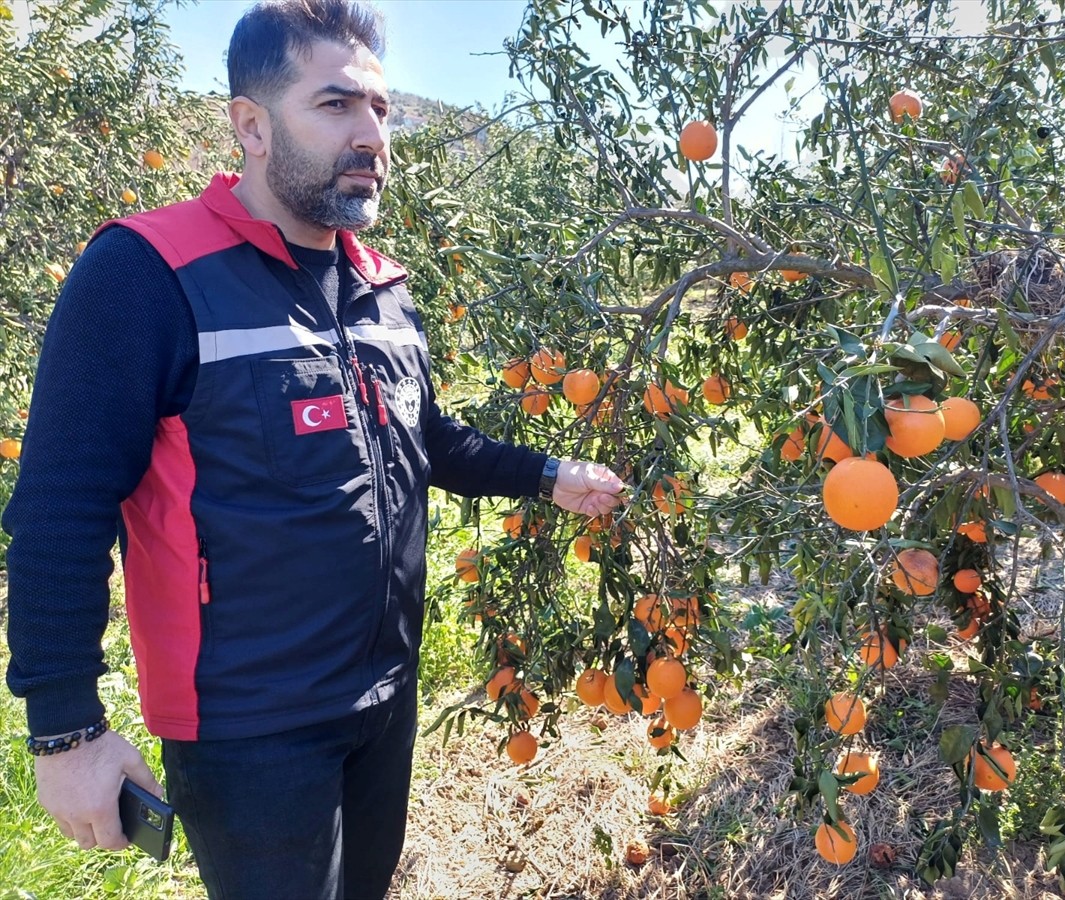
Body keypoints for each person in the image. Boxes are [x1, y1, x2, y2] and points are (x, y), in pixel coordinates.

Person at [1, 1, 625, 897]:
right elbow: (61, 506)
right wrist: (66, 730)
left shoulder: (382, 288)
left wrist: (547, 475)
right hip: (249, 728)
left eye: (379, 107)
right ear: (251, 126)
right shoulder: (148, 274)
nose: (371, 133)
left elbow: (426, 438)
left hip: (383, 696)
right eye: (335, 105)